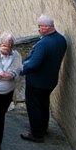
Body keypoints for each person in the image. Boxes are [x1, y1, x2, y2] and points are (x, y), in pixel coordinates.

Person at [20, 14, 67, 142]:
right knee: (44, 104)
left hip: (37, 82)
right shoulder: (61, 40)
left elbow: (34, 63)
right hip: (51, 80)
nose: (39, 29)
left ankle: (36, 134)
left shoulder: (44, 43)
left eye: (40, 26)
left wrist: (21, 68)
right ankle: (43, 128)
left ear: (46, 27)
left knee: (34, 106)